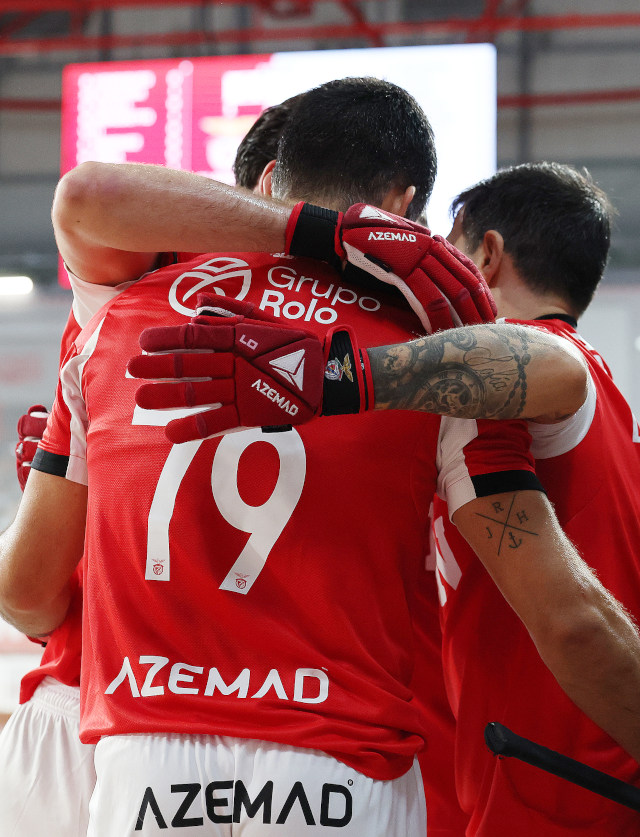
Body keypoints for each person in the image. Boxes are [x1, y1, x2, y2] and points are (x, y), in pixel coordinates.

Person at [0, 79, 624, 835]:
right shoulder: (433, 347)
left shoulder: (130, 307)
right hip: (336, 768)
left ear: (271, 181)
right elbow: (567, 613)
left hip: (142, 763)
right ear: (406, 203)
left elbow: (88, 192)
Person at [0, 94, 305, 837]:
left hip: (94, 700)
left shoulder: (131, 291)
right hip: (278, 732)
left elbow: (28, 595)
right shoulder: (383, 332)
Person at [428, 162, 640, 836]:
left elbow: (574, 620)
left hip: (554, 790)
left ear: (486, 256)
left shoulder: (517, 372)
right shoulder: (605, 390)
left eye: (447, 253)